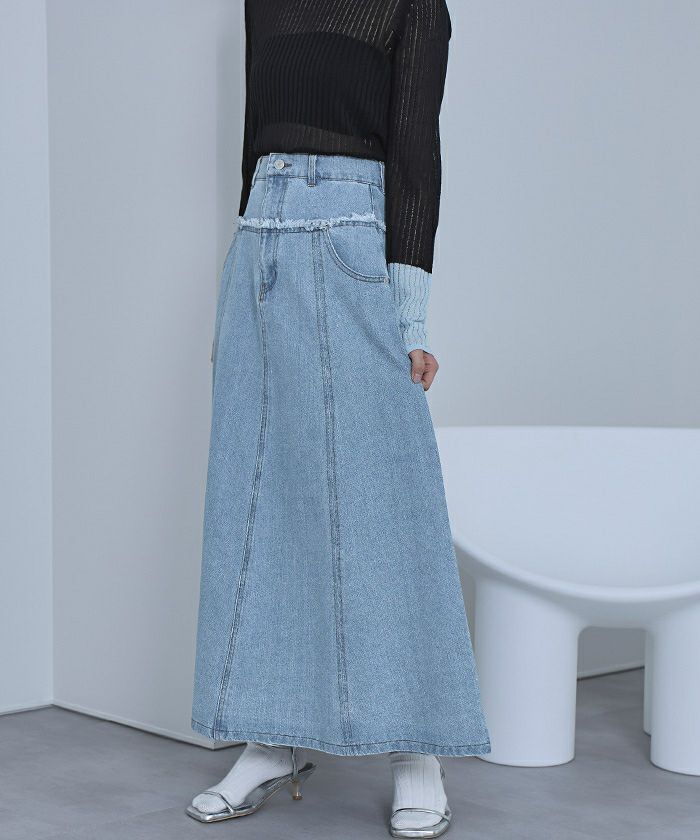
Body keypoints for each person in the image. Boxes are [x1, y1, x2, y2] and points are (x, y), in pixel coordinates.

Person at [187, 1, 491, 836]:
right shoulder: (265, 2)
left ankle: (416, 747)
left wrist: (410, 313)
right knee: (259, 505)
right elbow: (251, 146)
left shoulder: (410, 6)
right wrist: (233, 295)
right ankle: (272, 737)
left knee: (384, 504)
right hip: (260, 247)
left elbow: (417, 152)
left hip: (355, 238)